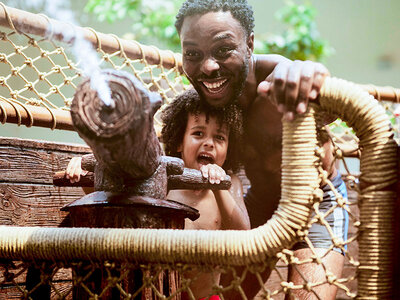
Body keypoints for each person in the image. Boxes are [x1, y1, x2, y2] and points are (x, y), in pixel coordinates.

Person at [174, 0, 349, 299]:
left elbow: (320, 87)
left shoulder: (278, 80)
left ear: (250, 44)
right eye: (192, 53)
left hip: (318, 204)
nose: (208, 66)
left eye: (222, 50)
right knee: (224, 296)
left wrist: (309, 74)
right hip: (262, 204)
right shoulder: (205, 97)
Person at [66, 88, 250, 299]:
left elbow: (243, 233)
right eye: (198, 133)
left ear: (229, 148)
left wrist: (220, 185)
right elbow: (109, 196)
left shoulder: (231, 184)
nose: (209, 142)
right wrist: (82, 169)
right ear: (179, 142)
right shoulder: (164, 181)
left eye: (219, 137)